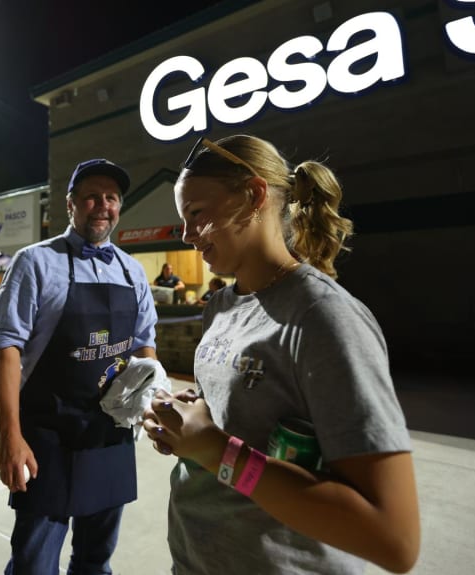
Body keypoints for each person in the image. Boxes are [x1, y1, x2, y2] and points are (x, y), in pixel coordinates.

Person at [142, 134, 420, 574]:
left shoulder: (322, 318)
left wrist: (216, 451)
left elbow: (393, 539)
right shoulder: (221, 306)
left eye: (196, 214)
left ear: (253, 196)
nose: (187, 235)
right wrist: (186, 425)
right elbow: (235, 419)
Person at [0, 158, 159, 574]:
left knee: (95, 560)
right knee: (33, 563)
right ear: (70, 204)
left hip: (110, 437)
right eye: (91, 197)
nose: (102, 206)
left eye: (111, 198)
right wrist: (10, 435)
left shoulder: (132, 270)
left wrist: (152, 401)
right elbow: (7, 347)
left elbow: (145, 344)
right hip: (48, 438)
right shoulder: (34, 262)